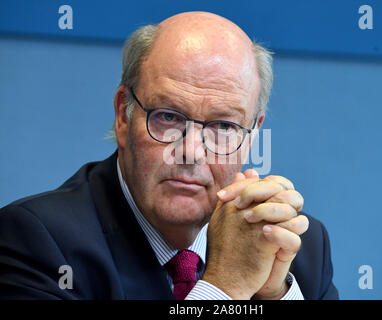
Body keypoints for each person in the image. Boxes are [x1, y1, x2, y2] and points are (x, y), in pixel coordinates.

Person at [0, 11, 338, 300]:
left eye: (222, 126)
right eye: (168, 116)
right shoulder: (36, 243)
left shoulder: (295, 247)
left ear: (251, 136)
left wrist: (272, 295)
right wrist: (226, 287)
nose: (191, 152)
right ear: (123, 115)